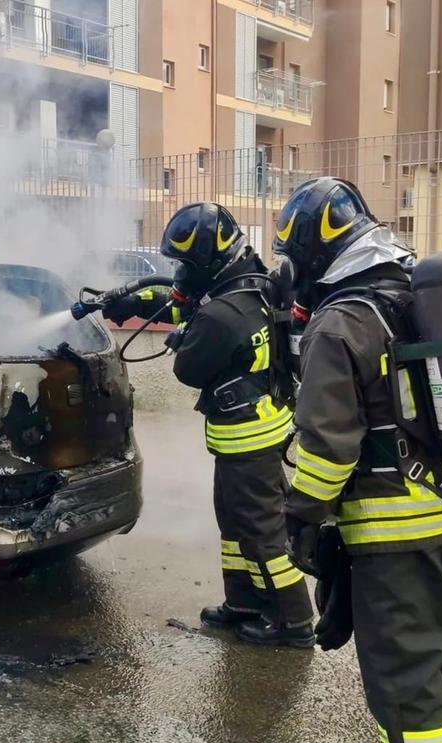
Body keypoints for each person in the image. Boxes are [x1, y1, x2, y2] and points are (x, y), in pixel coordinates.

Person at [275, 177, 442, 743]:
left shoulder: (339, 324)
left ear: (314, 258)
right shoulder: (415, 294)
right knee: (438, 658)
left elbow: (326, 451)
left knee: (402, 675)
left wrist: (299, 518)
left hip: (399, 532)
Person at [104, 202, 315, 647]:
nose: (179, 274)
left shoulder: (220, 315)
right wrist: (138, 302)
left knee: (260, 533)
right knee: (235, 525)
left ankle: (292, 619)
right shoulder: (251, 285)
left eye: (186, 264)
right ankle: (243, 601)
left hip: (247, 439)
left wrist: (183, 337)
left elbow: (189, 369)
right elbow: (184, 306)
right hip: (259, 428)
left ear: (208, 261)